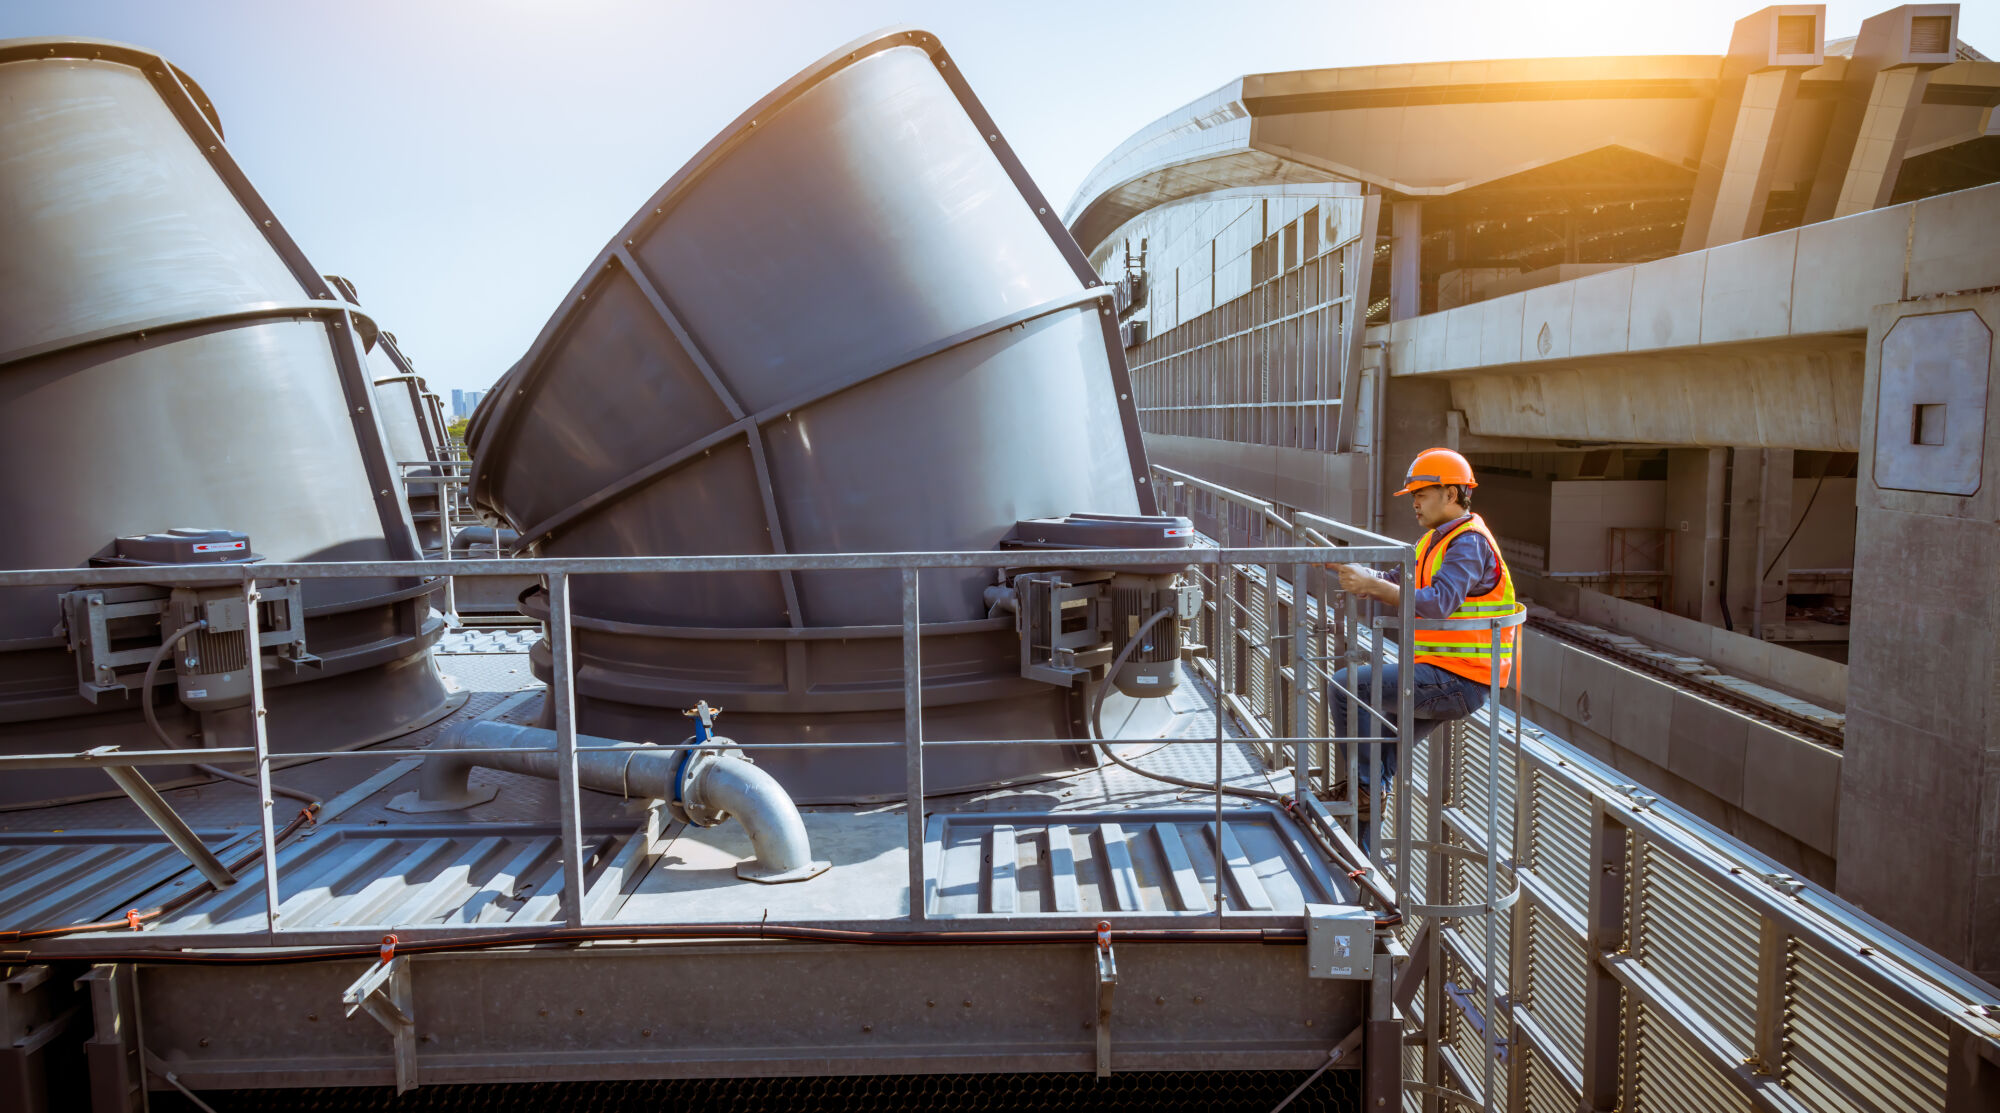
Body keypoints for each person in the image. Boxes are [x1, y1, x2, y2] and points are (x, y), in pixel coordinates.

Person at [1326, 447, 1517, 820]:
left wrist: (1377, 587)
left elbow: (1438, 602)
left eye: (1421, 495)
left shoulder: (1469, 542)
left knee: (1347, 686)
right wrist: (1369, 579)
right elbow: (1404, 582)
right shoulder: (1434, 539)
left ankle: (1364, 789)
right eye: (1413, 496)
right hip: (1444, 671)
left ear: (1451, 494)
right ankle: (1365, 817)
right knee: (1382, 750)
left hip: (1459, 678)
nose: (1414, 504)